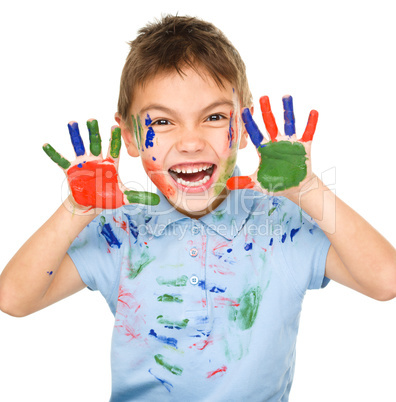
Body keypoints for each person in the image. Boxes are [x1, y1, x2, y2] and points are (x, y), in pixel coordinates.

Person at [0, 14, 395, 401]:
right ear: (130, 138)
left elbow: (385, 281)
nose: (190, 142)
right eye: (164, 122)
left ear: (242, 128)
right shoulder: (120, 232)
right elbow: (14, 299)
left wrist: (307, 187)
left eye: (214, 117)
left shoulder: (278, 224)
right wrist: (78, 208)